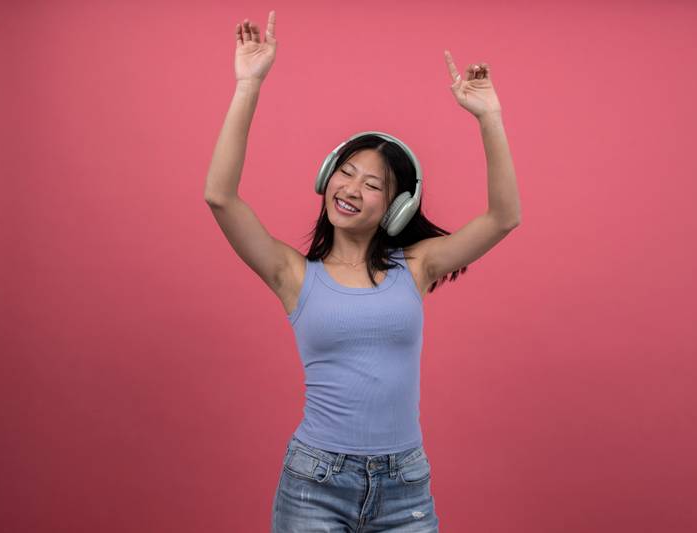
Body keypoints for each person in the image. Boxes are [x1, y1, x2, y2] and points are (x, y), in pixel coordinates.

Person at [203, 10, 522, 532]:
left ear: (397, 207)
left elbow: (504, 217)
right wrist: (247, 85)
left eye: (372, 184)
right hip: (315, 482)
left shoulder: (418, 266)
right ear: (326, 179)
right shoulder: (291, 274)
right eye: (345, 173)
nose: (351, 189)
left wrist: (489, 116)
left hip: (405, 485)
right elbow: (220, 197)